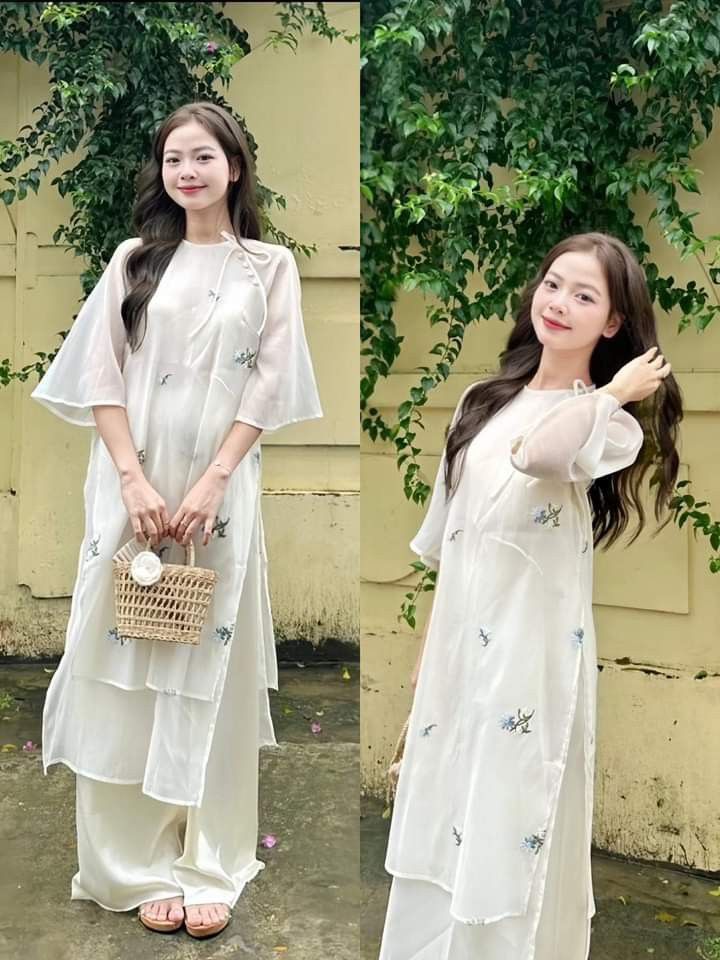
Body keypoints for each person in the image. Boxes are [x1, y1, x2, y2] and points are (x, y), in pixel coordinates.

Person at [31, 101, 322, 938]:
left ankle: (206, 859)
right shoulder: (135, 260)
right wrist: (132, 481)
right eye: (172, 159)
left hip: (217, 501)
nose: (186, 172)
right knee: (118, 654)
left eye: (202, 157)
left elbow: (270, 384)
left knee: (207, 663)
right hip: (131, 488)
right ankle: (128, 863)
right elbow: (101, 375)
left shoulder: (269, 267)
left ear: (235, 166)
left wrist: (213, 481)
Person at [378, 232, 682, 959]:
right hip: (460, 651)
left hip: (531, 660)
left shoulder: (606, 425)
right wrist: (426, 659)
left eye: (585, 296)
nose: (560, 303)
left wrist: (612, 392)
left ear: (613, 322)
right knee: (445, 811)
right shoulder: (479, 403)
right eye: (552, 284)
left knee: (511, 818)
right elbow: (449, 546)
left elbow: (539, 453)